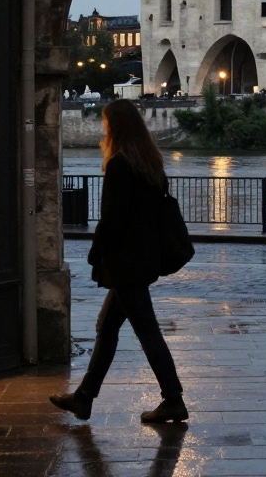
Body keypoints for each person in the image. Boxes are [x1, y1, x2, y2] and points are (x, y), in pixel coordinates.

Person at [50, 99, 187, 423]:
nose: (103, 128)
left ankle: (173, 398)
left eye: (106, 122)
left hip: (125, 264)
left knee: (147, 331)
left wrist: (95, 253)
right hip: (144, 260)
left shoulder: (119, 165)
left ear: (115, 127)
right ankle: (84, 397)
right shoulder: (151, 164)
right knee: (107, 327)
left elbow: (111, 219)